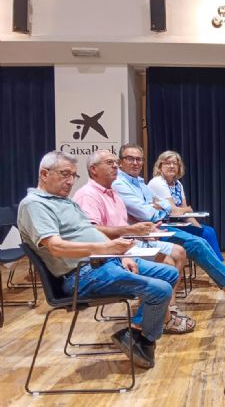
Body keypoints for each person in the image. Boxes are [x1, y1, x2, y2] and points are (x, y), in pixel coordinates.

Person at [18, 151, 180, 368]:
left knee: (170, 273)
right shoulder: (34, 204)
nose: (69, 181)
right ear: (44, 174)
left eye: (73, 176)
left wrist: (119, 255)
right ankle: (144, 340)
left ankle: (137, 332)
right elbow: (56, 247)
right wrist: (106, 247)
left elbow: (90, 230)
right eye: (65, 174)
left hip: (104, 261)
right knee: (160, 290)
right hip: (81, 274)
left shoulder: (65, 201)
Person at [73, 149, 195, 333]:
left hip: (130, 242)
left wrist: (145, 230)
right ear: (93, 169)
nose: (115, 166)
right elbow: (92, 231)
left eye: (115, 162)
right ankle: (154, 320)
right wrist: (131, 233)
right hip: (109, 254)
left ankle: (156, 317)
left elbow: (148, 210)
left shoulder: (113, 191)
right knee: (171, 261)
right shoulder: (88, 195)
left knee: (178, 254)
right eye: (110, 162)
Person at [111, 144, 225, 306]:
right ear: (120, 162)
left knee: (201, 239)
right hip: (142, 234)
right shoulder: (120, 183)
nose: (136, 163)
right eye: (131, 159)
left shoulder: (139, 182)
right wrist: (160, 208)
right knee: (197, 243)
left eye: (139, 159)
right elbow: (150, 212)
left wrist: (160, 207)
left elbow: (164, 205)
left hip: (156, 228)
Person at [147, 150, 225, 263]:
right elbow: (175, 212)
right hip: (161, 226)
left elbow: (186, 214)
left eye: (175, 163)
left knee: (208, 231)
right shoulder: (158, 182)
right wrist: (186, 209)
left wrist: (198, 227)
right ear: (160, 166)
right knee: (206, 233)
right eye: (167, 163)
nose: (172, 166)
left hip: (178, 223)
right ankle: (219, 265)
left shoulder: (178, 184)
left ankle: (218, 264)